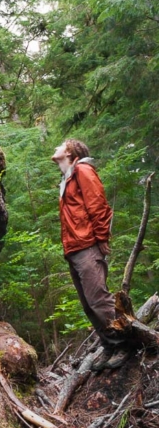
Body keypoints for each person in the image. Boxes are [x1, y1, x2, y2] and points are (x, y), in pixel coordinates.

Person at [51, 138, 132, 370]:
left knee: (98, 299)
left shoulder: (83, 171)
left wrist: (102, 238)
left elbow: (98, 206)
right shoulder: (67, 177)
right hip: (74, 248)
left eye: (60, 145)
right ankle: (110, 345)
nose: (56, 148)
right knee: (88, 304)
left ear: (70, 152)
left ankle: (125, 343)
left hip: (87, 245)